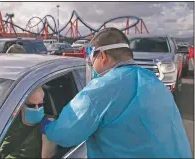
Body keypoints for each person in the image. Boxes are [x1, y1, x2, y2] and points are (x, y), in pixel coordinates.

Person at [40, 27, 192, 158]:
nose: (92, 66)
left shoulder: (100, 89)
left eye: (92, 61)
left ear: (103, 57)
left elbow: (65, 135)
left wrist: (46, 125)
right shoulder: (154, 82)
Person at [0, 87, 56, 158]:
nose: (37, 109)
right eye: (31, 105)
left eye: (40, 104)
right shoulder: (8, 121)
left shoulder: (49, 123)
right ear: (20, 105)